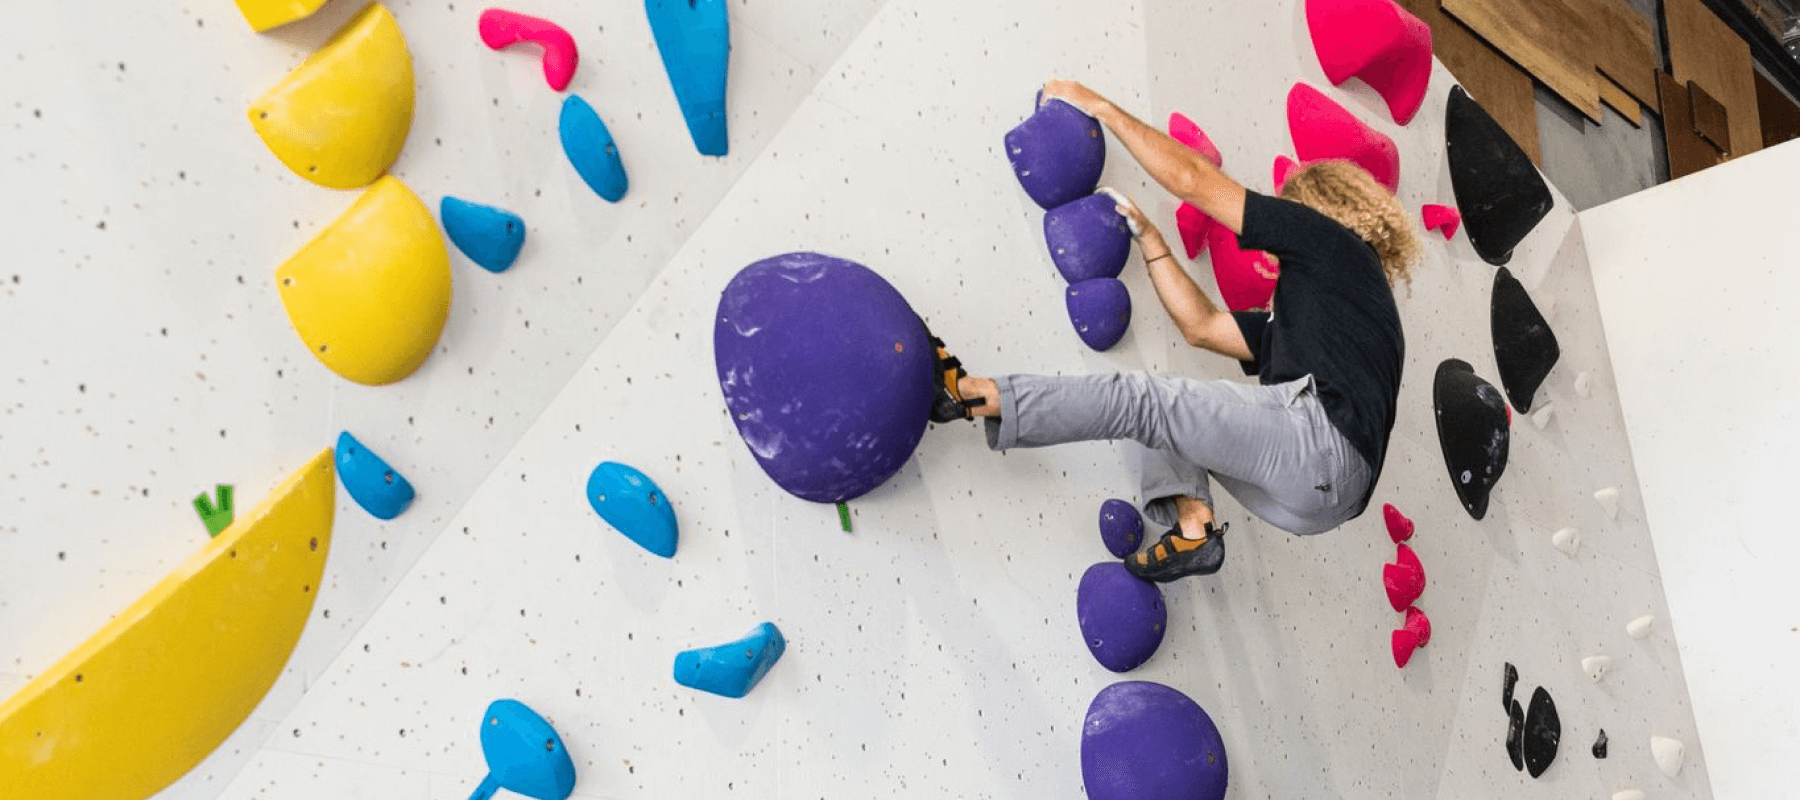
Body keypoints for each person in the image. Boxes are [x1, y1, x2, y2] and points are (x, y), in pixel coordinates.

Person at [930, 79, 1422, 582]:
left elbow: (1192, 180)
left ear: (1315, 209)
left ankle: (972, 395)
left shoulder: (1329, 240)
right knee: (1162, 417)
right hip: (1321, 504)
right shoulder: (1335, 317)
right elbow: (1202, 327)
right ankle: (1193, 528)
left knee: (1142, 400)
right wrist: (1152, 241)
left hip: (1319, 448)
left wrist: (1104, 109)